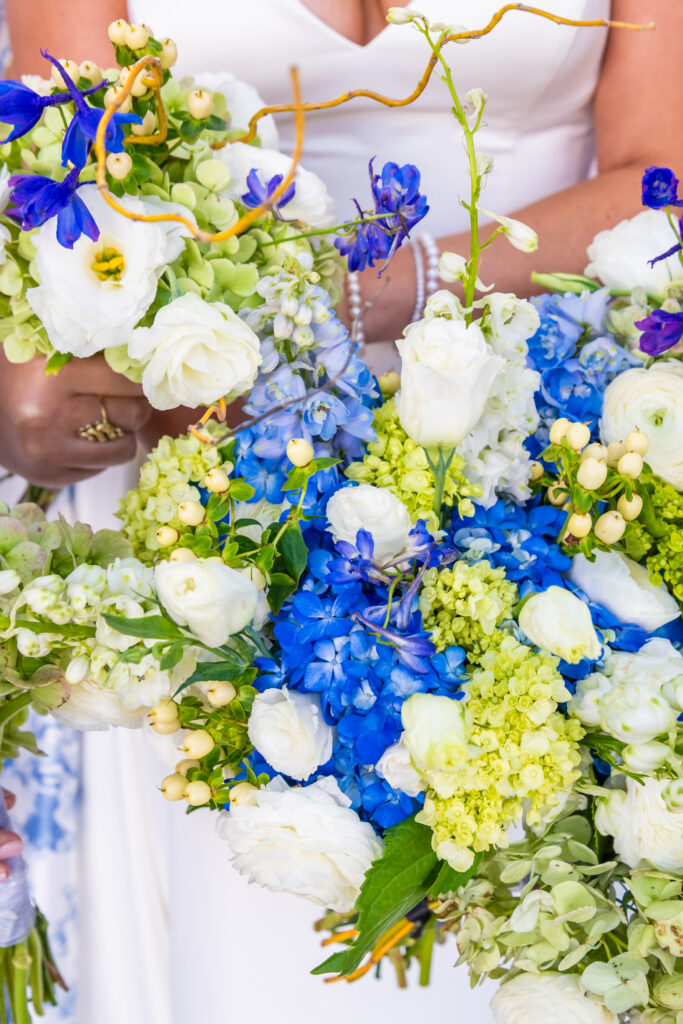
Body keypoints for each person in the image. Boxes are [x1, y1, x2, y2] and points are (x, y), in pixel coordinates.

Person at [2, 3, 683, 1024]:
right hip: (219, 493)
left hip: (565, 464)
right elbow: (82, 184)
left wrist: (374, 287)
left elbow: (661, 179)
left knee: (546, 912)